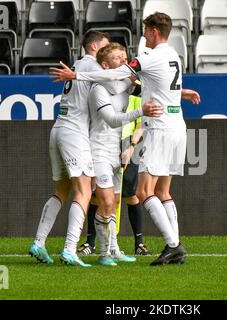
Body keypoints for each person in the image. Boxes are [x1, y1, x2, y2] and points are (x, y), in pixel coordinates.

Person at [50, 12, 200, 266]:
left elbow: (117, 77)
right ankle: (164, 243)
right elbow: (145, 84)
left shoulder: (149, 58)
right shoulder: (174, 55)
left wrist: (77, 76)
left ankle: (173, 245)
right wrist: (180, 93)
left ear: (154, 31)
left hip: (160, 127)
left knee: (144, 191)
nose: (142, 35)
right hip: (177, 125)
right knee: (162, 191)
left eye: (144, 30)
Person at [29, 31, 159, 267]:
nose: (107, 53)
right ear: (94, 47)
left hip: (59, 128)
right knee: (85, 192)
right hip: (75, 134)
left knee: (62, 190)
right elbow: (117, 78)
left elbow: (127, 85)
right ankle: (70, 249)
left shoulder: (83, 66)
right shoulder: (93, 67)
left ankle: (39, 242)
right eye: (106, 47)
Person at [85, 42, 162, 266]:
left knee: (116, 201)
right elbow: (111, 120)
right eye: (119, 58)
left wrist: (180, 93)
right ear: (105, 65)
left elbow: (151, 89)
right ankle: (103, 253)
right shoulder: (98, 89)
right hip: (98, 150)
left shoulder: (126, 86)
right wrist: (141, 111)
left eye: (125, 57)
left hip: (116, 151)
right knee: (106, 201)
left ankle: (114, 249)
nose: (124, 61)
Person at [78, 94, 152, 257]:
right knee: (98, 196)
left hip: (128, 148)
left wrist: (132, 146)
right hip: (106, 146)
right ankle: (90, 243)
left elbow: (140, 125)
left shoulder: (135, 97)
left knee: (130, 195)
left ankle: (139, 243)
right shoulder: (106, 94)